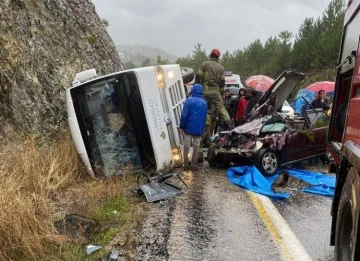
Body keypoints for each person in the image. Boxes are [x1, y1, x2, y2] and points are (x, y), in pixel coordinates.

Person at [195, 48, 232, 129]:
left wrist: (197, 89)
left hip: (204, 91)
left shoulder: (204, 64)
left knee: (202, 108)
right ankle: (230, 125)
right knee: (221, 108)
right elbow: (222, 83)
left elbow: (198, 77)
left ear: (210, 55)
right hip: (215, 92)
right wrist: (221, 94)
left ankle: (200, 126)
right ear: (218, 57)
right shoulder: (221, 68)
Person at [179, 84, 208, 171]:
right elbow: (205, 118)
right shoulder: (204, 103)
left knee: (187, 146)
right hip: (199, 129)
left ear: (193, 90)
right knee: (196, 146)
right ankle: (194, 165)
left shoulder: (189, 101)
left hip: (188, 128)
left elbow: (184, 115)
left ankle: (185, 164)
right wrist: (202, 128)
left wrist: (181, 126)